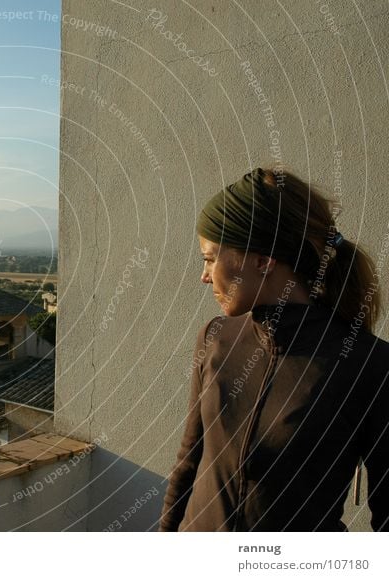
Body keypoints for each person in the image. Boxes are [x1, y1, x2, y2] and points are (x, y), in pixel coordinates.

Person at [159, 167, 389, 531]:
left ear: (264, 260)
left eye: (209, 258)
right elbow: (189, 463)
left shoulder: (368, 364)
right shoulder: (215, 337)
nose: (204, 276)